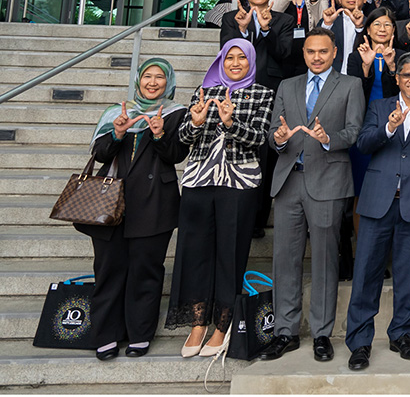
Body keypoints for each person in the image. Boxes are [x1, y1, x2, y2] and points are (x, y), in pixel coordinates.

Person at [259, 29, 365, 363]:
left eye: (322, 51)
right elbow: (274, 131)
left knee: (322, 261)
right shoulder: (287, 85)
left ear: (334, 52)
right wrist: (277, 138)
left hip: (328, 182)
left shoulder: (350, 85)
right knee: (285, 261)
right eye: (310, 52)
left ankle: (321, 333)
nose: (316, 57)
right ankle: (285, 332)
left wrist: (327, 137)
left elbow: (355, 132)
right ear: (303, 53)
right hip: (289, 181)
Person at [344, 52, 410, 370]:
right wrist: (388, 128)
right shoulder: (379, 107)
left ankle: (402, 335)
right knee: (365, 274)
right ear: (398, 78)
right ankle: (360, 342)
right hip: (378, 202)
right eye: (407, 75)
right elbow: (363, 143)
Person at [167, 40, 273, 357]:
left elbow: (259, 138)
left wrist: (230, 122)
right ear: (221, 62)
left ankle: (222, 324)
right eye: (230, 58)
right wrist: (197, 122)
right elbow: (183, 139)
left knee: (230, 252)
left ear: (250, 61)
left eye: (242, 58)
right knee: (195, 249)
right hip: (199, 179)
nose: (236, 63)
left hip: (239, 181)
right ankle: (198, 321)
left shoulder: (262, 94)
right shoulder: (203, 92)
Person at [82, 59, 189, 361]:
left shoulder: (174, 112)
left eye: (159, 78)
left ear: (168, 82)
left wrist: (158, 134)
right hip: (110, 202)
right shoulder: (117, 112)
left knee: (146, 270)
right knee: (107, 269)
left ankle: (139, 333)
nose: (152, 83)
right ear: (138, 80)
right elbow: (100, 154)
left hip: (155, 201)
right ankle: (106, 333)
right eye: (147, 77)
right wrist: (117, 133)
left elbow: (177, 155)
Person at [220, 0, 295, 92]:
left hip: (270, 84)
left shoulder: (285, 20)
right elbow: (225, 51)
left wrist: (266, 30)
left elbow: (284, 54)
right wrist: (242, 29)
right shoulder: (231, 18)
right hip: (237, 81)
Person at [270, 0, 331, 77]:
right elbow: (272, 17)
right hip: (281, 49)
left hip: (308, 49)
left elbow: (322, 23)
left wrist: (314, 1)